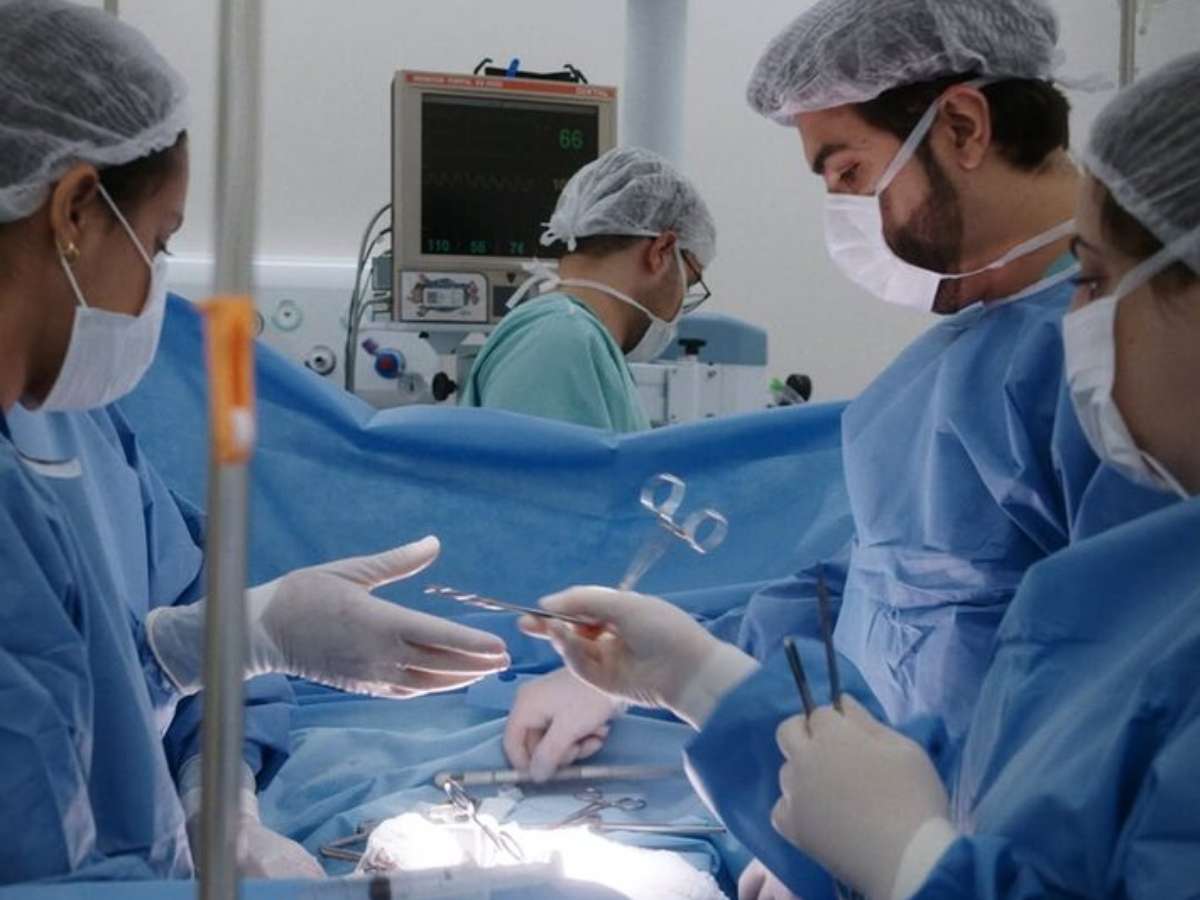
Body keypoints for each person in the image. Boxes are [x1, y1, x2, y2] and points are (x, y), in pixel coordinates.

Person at [526, 51, 1200, 900]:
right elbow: (881, 586)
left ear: (963, 127)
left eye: (1094, 278)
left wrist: (911, 860)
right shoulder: (964, 376)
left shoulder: (1095, 437)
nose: (1077, 320)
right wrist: (696, 676)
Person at [0, 0, 508, 884]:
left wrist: (220, 793)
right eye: (159, 240)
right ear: (76, 208)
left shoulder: (71, 421)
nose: (156, 279)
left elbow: (171, 607)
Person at [460, 146, 716, 432]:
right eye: (688, 283)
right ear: (662, 251)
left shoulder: (581, 343)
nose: (680, 306)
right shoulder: (558, 341)